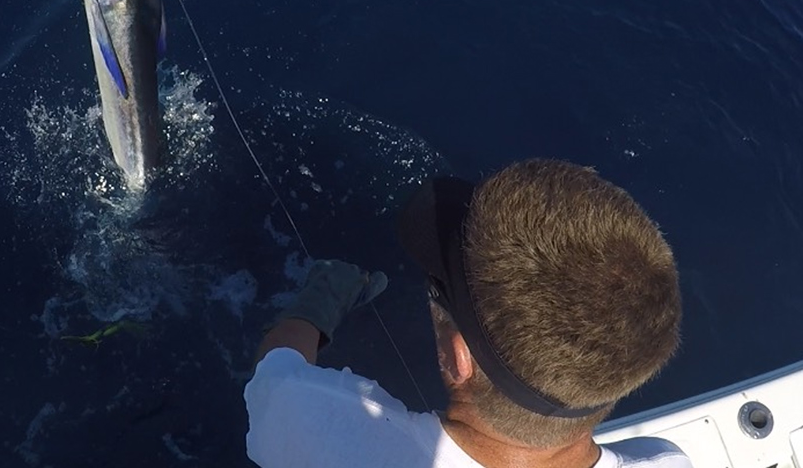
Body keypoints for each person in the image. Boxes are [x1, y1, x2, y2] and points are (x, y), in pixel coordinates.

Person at [244, 159, 691, 468]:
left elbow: (276, 371)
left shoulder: (315, 428)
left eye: (439, 288)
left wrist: (321, 301)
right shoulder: (668, 459)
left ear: (459, 359)